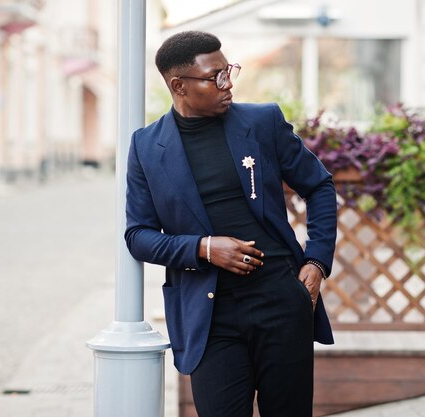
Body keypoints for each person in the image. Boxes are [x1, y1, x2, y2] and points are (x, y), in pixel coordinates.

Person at [125, 30, 337, 417]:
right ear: (179, 86)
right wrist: (205, 248)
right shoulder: (146, 147)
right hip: (208, 314)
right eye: (215, 77)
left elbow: (320, 185)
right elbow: (138, 236)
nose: (228, 84)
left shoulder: (262, 121)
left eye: (229, 71)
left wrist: (317, 261)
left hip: (280, 298)